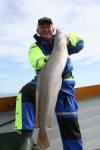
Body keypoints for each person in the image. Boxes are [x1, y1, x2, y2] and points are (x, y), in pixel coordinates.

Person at [15, 17, 84, 150]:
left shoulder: (63, 42)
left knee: (70, 125)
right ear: (38, 30)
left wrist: (67, 40)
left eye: (48, 26)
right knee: (27, 91)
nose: (46, 29)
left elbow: (80, 44)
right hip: (44, 82)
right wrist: (52, 58)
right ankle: (26, 137)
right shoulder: (35, 47)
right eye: (42, 27)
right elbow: (38, 62)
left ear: (53, 29)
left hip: (65, 86)